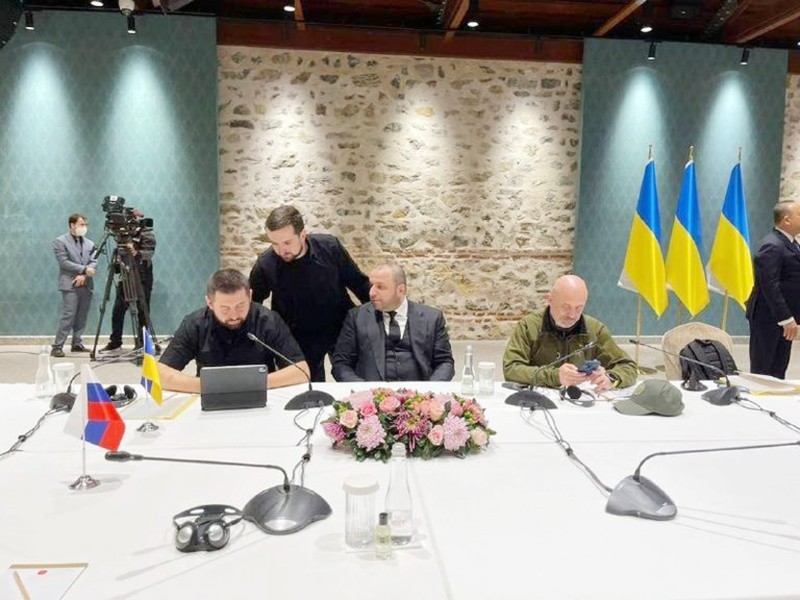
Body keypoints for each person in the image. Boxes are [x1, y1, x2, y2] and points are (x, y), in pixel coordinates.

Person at [249, 205, 371, 382]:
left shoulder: (330, 247)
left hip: (340, 326)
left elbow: (359, 284)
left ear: (302, 235)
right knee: (308, 389)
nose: (281, 250)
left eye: (287, 243)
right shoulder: (266, 264)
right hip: (298, 336)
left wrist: (376, 318)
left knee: (353, 381)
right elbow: (253, 305)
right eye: (274, 243)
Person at [158, 269, 310, 393]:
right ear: (210, 303)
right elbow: (160, 374)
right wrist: (210, 387)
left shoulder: (268, 320)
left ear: (250, 296)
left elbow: (301, 371)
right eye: (225, 308)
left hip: (260, 396)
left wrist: (250, 385)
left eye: (240, 306)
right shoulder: (195, 324)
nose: (234, 315)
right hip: (209, 399)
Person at [503, 274, 637, 392]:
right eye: (566, 307)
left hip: (581, 402)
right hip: (538, 400)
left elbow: (628, 367)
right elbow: (511, 369)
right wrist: (555, 376)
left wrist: (611, 378)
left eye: (578, 308)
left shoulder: (595, 330)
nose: (572, 315)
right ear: (550, 300)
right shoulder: (528, 326)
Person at [332, 263, 455, 382]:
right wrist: (362, 390)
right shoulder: (357, 317)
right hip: (371, 393)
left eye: (380, 287)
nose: (372, 293)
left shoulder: (432, 318)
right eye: (371, 286)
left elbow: (444, 362)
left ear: (400, 290)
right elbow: (341, 363)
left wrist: (430, 390)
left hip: (419, 393)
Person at [746, 200, 800, 379]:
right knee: (763, 371)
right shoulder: (772, 245)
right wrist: (786, 318)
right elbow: (770, 286)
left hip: (783, 318)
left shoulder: (790, 242)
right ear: (786, 220)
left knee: (778, 370)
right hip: (769, 318)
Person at [101, 211, 156, 352]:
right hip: (126, 275)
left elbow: (148, 253)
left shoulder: (147, 233)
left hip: (142, 277)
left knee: (142, 311)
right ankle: (115, 341)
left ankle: (143, 343)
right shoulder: (123, 236)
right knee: (118, 310)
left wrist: (135, 251)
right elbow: (120, 255)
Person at [51, 213, 97, 358]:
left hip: (86, 283)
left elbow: (94, 261)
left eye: (86, 225)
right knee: (69, 315)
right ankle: (57, 346)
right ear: (72, 225)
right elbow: (64, 262)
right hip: (69, 283)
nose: (84, 227)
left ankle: (77, 343)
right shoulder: (60, 241)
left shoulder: (90, 243)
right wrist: (83, 269)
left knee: (82, 315)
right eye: (82, 224)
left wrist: (84, 275)